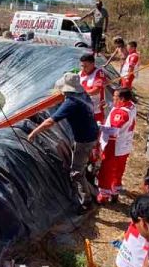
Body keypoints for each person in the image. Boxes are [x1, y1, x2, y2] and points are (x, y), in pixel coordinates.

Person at [27, 72, 100, 212]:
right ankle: (90, 178)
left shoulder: (71, 103)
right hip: (92, 134)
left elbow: (50, 122)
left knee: (76, 172)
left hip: (84, 140)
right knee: (83, 161)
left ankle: (86, 201)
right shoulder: (83, 95)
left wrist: (33, 133)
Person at [96, 88, 136, 204]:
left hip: (115, 145)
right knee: (118, 171)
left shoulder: (120, 113)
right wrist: (109, 105)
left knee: (106, 171)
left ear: (122, 99)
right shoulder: (132, 106)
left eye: (115, 97)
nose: (113, 98)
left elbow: (114, 130)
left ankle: (103, 196)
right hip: (125, 145)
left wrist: (99, 127)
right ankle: (115, 192)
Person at [78, 53, 108, 123]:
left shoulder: (98, 73)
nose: (83, 68)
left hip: (96, 110)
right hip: (83, 109)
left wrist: (79, 94)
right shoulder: (80, 74)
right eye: (82, 66)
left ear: (93, 64)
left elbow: (96, 91)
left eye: (86, 66)